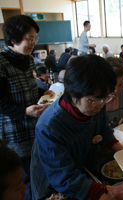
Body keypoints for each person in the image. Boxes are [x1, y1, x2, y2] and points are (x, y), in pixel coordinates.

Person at [30, 55, 123, 200]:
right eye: (95, 100)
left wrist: (120, 150)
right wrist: (109, 190)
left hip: (83, 172)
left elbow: (103, 129)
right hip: (53, 187)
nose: (101, 105)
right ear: (73, 94)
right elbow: (64, 179)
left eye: (106, 97)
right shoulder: (49, 127)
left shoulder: (95, 103)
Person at [0, 14, 49, 200]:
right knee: (23, 177)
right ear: (13, 38)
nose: (33, 43)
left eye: (34, 38)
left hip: (33, 125)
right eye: (29, 39)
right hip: (14, 130)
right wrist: (23, 112)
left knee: (35, 170)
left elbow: (28, 90)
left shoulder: (27, 59)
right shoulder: (1, 62)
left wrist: (42, 96)